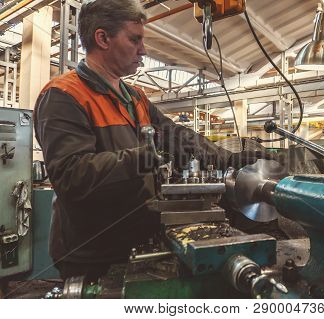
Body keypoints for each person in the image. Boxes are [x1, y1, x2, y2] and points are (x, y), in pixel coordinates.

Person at [34, 0, 272, 280]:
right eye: (134, 39)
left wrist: (229, 159)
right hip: (91, 252)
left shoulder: (134, 96)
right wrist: (146, 157)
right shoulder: (63, 95)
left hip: (140, 238)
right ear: (102, 38)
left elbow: (177, 136)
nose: (143, 49)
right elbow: (72, 175)